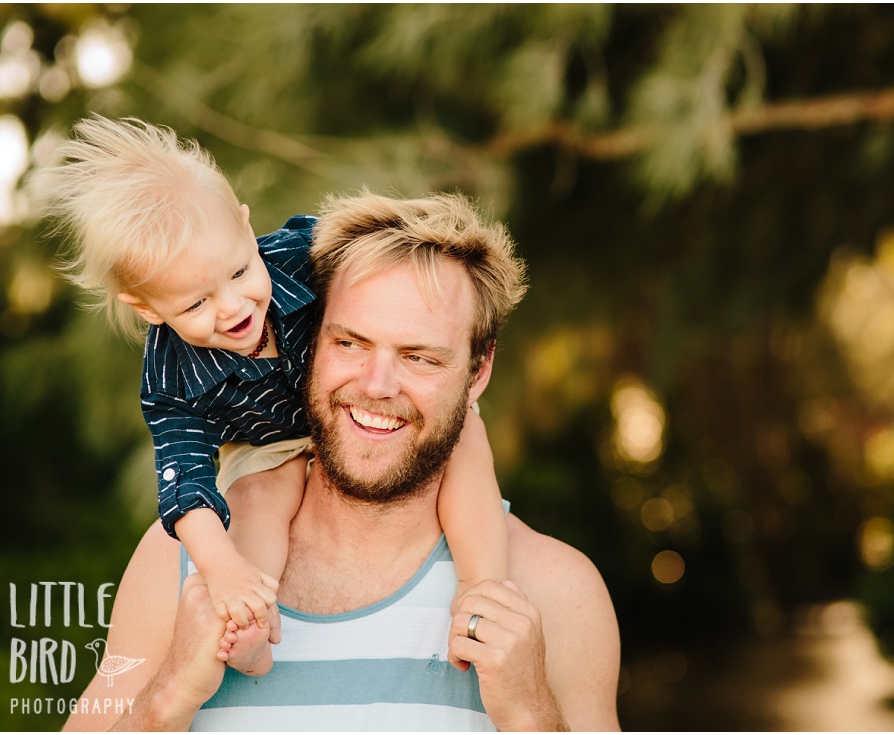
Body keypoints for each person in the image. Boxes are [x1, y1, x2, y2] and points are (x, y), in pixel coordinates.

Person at [62, 191, 622, 731]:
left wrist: (530, 717)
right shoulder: (184, 564)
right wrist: (168, 697)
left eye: (420, 357)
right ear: (310, 336)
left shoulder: (557, 592)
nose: (377, 385)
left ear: (478, 373)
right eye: (350, 343)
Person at [33, 117, 509, 678]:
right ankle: (249, 628)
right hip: (268, 441)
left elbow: (387, 274)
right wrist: (221, 567)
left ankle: (485, 594)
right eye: (195, 305)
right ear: (146, 307)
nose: (233, 307)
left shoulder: (299, 253)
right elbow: (184, 486)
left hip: (347, 400)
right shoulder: (170, 381)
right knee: (258, 498)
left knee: (467, 439)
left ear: (244, 225)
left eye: (238, 271)